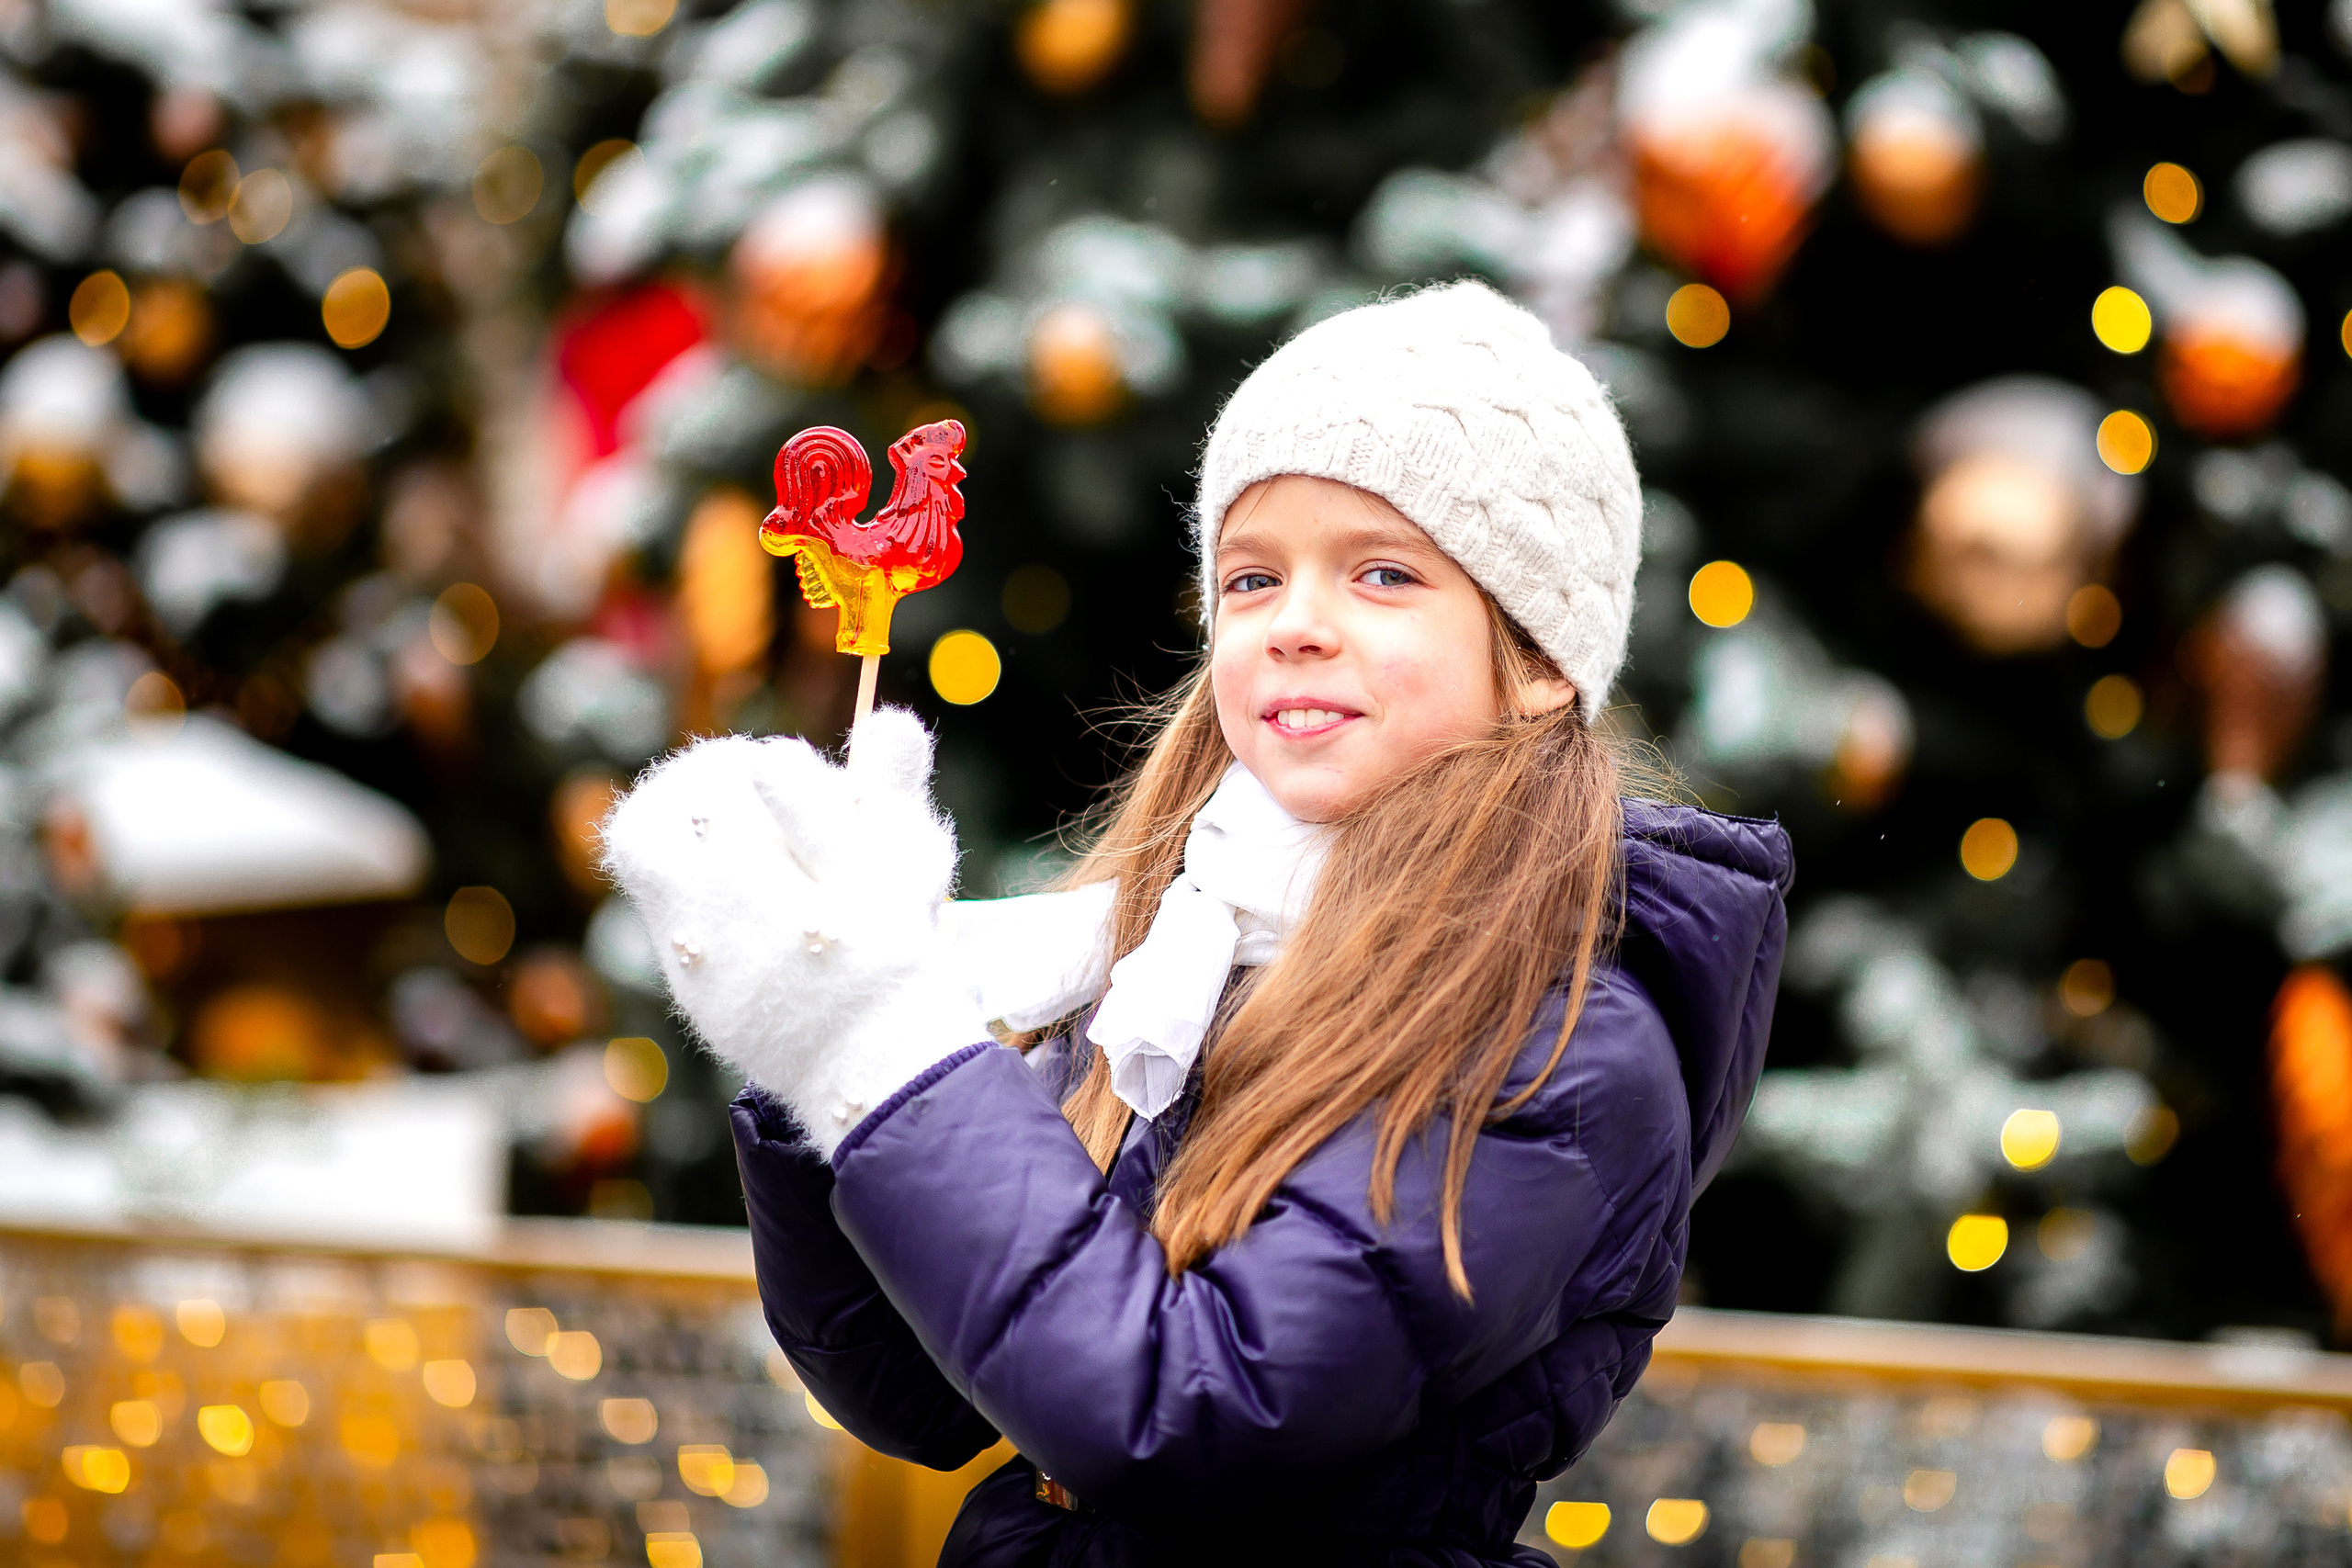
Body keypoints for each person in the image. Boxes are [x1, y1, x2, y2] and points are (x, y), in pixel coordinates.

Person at [602, 280, 1792, 1565]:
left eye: (1384, 574)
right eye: (1254, 576)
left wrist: (885, 1048)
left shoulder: (1559, 1043)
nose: (1295, 626)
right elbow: (922, 1398)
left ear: (1542, 655)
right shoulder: (1183, 948)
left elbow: (1184, 1419)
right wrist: (818, 1055)